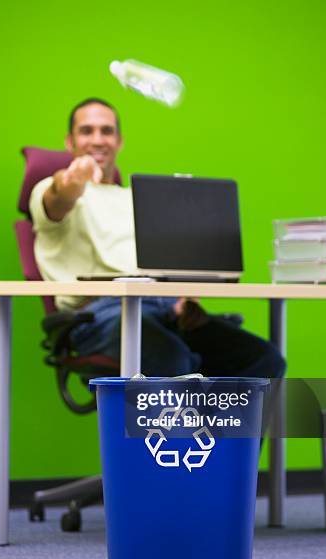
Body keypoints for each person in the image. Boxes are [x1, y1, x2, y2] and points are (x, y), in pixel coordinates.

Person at [30, 97, 286, 380]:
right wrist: (71, 180)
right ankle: (179, 423)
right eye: (86, 131)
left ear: (119, 141)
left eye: (107, 131)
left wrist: (182, 293)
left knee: (264, 360)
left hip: (164, 308)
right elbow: (58, 198)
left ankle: (213, 427)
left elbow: (165, 261)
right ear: (69, 141)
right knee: (174, 361)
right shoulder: (52, 189)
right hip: (100, 316)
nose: (98, 140)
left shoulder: (140, 199)